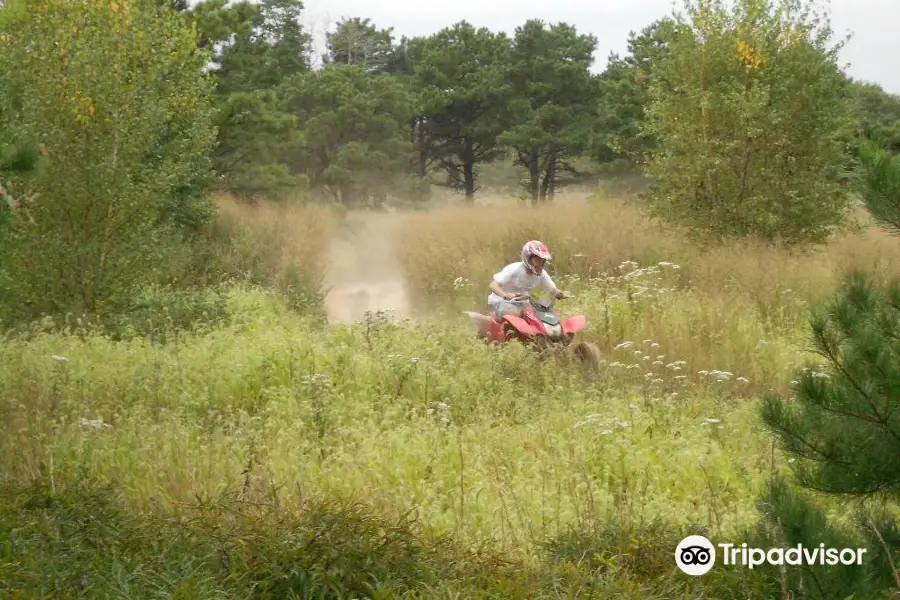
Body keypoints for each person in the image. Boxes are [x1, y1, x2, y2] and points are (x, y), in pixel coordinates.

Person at [487, 240, 573, 318]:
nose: (540, 262)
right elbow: (493, 285)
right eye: (537, 258)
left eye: (543, 260)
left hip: (523, 303)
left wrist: (561, 294)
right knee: (516, 314)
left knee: (549, 316)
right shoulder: (514, 269)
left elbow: (552, 290)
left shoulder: (542, 274)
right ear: (528, 257)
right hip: (501, 302)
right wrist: (505, 295)